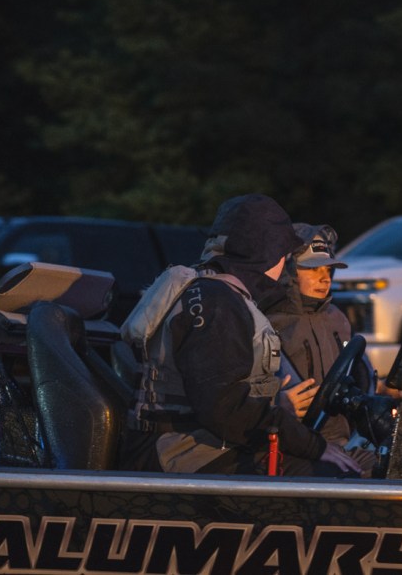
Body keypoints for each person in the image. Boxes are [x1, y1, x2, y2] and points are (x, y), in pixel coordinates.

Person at [118, 194, 361, 477]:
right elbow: (226, 408)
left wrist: (279, 411)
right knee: (335, 476)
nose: (284, 264)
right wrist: (314, 446)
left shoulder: (207, 290)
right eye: (282, 254)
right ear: (266, 252)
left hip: (187, 440)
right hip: (179, 449)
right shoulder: (218, 302)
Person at [264, 223, 377, 472]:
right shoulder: (268, 322)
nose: (325, 277)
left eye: (328, 269)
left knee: (394, 465)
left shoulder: (337, 319)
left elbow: (360, 373)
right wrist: (276, 401)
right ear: (288, 271)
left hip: (346, 443)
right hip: (298, 447)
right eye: (313, 269)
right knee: (347, 476)